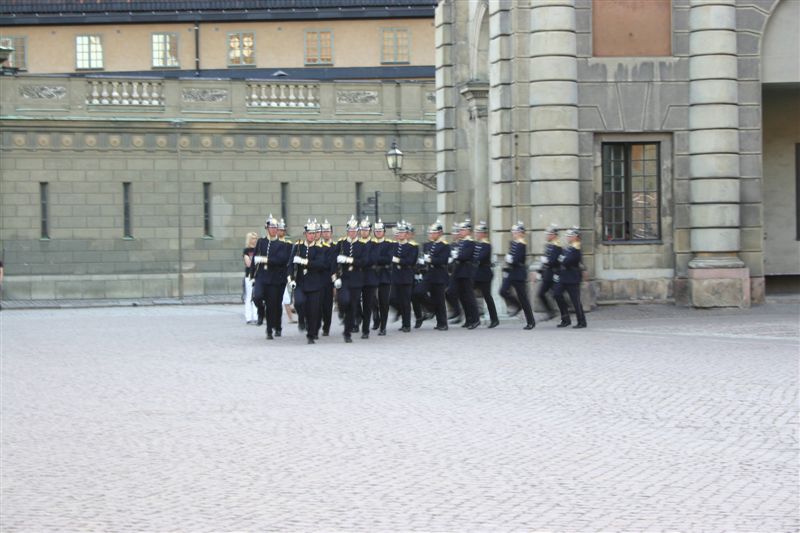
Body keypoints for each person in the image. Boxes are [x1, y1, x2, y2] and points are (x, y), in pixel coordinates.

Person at [252, 214, 291, 340]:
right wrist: (252, 274)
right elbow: (254, 259)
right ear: (267, 228)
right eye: (271, 227)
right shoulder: (261, 242)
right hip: (261, 276)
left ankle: (271, 329)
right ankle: (260, 311)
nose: (274, 230)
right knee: (257, 296)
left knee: (273, 304)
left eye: (275, 228)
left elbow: (280, 260)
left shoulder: (282, 244)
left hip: (274, 278)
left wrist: (264, 259)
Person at [290, 220, 327, 343]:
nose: (311, 235)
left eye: (313, 233)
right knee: (299, 303)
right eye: (309, 233)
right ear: (305, 234)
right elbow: (290, 264)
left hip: (314, 284)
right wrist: (290, 279)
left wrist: (305, 262)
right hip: (300, 282)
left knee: (313, 311)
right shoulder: (298, 246)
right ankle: (301, 317)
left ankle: (311, 336)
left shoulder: (319, 248)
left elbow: (321, 264)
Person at [334, 215, 367, 343]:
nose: (352, 233)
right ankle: (341, 311)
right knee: (344, 301)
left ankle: (347, 333)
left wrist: (348, 259)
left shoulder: (362, 245)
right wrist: (335, 276)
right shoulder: (341, 244)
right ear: (347, 231)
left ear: (357, 231)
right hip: (344, 278)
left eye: (354, 231)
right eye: (350, 231)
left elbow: (364, 261)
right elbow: (333, 261)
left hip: (357, 279)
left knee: (353, 307)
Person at [414, 220, 450, 330]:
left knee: (439, 298)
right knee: (417, 292)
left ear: (439, 233)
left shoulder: (445, 246)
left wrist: (430, 259)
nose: (431, 234)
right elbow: (423, 257)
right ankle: (431, 308)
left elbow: (443, 260)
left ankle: (442, 323)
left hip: (439, 274)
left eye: (433, 232)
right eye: (430, 232)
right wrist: (421, 264)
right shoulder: (427, 245)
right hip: (429, 274)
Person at [499, 221, 535, 330]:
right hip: (511, 273)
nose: (513, 233)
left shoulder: (522, 244)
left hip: (518, 274)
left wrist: (510, 259)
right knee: (503, 291)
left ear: (520, 233)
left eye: (515, 232)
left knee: (523, 298)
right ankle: (517, 305)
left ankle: (531, 321)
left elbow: (517, 259)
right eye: (513, 231)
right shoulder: (514, 243)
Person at [553, 226, 587, 329]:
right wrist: (557, 273)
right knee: (557, 294)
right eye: (567, 236)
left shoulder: (576, 248)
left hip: (572, 278)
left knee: (575, 301)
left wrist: (562, 259)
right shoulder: (568, 248)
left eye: (570, 236)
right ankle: (565, 318)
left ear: (575, 237)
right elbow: (560, 260)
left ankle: (582, 321)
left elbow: (566, 261)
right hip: (563, 277)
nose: (567, 238)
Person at [451, 219, 480, 329]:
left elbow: (465, 256)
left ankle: (475, 319)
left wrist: (456, 256)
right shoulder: (462, 242)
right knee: (462, 297)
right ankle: (468, 319)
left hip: (467, 272)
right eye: (460, 230)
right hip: (459, 271)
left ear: (468, 231)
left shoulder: (470, 242)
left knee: (469, 297)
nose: (460, 232)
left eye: (462, 230)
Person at [390, 220, 418, 332]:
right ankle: (400, 315)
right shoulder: (394, 246)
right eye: (399, 232)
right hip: (396, 276)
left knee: (405, 301)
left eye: (402, 233)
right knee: (392, 298)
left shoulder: (412, 247)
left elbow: (410, 261)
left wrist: (397, 260)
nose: (400, 234)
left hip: (406, 276)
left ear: (406, 234)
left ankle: (406, 324)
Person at [472, 221, 499, 328]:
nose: (477, 234)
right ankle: (474, 317)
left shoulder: (486, 245)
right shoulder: (477, 244)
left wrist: (472, 259)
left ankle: (494, 319)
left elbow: (480, 258)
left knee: (487, 297)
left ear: (484, 233)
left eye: (479, 232)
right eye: (476, 232)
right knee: (468, 294)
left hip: (484, 274)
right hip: (476, 274)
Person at [371, 219, 394, 336]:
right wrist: (379, 259)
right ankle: (376, 318)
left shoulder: (389, 244)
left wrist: (376, 259)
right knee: (371, 300)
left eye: (380, 231)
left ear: (384, 232)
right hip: (372, 275)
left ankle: (383, 326)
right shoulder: (371, 243)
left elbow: (388, 259)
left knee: (384, 302)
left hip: (384, 275)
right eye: (376, 231)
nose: (378, 233)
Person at [537, 223, 561, 321]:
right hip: (547, 274)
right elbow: (545, 260)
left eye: (549, 234)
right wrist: (540, 271)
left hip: (553, 274)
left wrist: (547, 261)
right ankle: (552, 311)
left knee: (556, 294)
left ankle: (562, 311)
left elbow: (555, 261)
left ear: (554, 235)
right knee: (543, 294)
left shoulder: (557, 246)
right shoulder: (548, 246)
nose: (547, 236)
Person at [358, 217, 377, 339]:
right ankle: (358, 319)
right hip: (357, 277)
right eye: (362, 230)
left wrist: (357, 262)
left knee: (367, 304)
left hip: (369, 277)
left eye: (366, 230)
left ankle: (365, 330)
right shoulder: (356, 243)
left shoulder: (374, 244)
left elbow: (372, 260)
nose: (364, 232)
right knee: (352, 302)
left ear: (369, 231)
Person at [318, 219, 336, 336]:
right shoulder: (317, 246)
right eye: (324, 231)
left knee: (327, 305)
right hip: (318, 279)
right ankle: (317, 324)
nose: (326, 233)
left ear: (331, 233)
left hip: (330, 279)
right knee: (317, 304)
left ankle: (326, 327)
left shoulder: (335, 246)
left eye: (328, 231)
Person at [445, 222, 463, 323]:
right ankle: (456, 312)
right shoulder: (451, 245)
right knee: (448, 293)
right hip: (451, 273)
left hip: (460, 272)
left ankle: (459, 313)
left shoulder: (462, 244)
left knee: (457, 294)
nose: (453, 235)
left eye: (455, 233)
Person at [242, 232, 259, 324]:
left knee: (257, 296)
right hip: (249, 275)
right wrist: (257, 261)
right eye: (253, 238)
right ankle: (248, 317)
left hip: (259, 275)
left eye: (256, 238)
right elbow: (248, 263)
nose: (255, 240)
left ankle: (256, 316)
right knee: (249, 296)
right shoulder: (246, 250)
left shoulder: (259, 249)